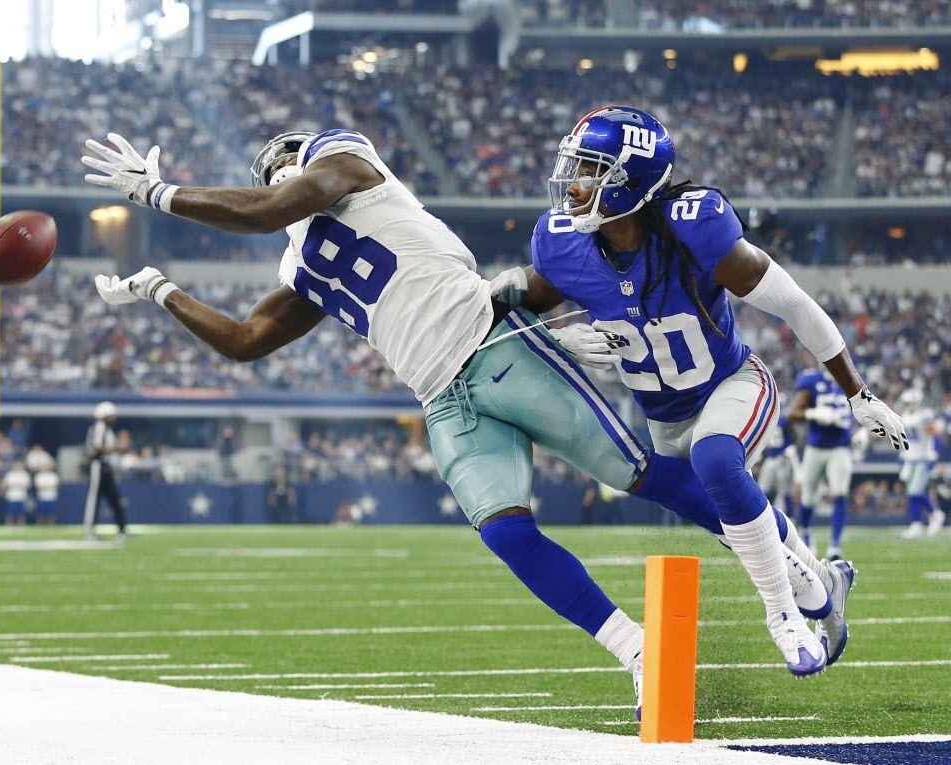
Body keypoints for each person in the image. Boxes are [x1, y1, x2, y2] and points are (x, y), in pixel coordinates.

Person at [83, 127, 820, 716]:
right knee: (505, 530)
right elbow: (246, 340)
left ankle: (790, 557)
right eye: (269, 168)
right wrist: (160, 289)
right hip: (442, 397)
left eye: (282, 163)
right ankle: (638, 650)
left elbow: (269, 208)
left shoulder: (346, 163)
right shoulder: (302, 264)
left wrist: (158, 192)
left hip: (497, 345)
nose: (277, 174)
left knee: (637, 474)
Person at [511, 106, 907, 675]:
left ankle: (786, 621)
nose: (574, 185)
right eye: (575, 166)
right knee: (735, 519)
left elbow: (794, 303)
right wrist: (565, 336)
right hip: (663, 418)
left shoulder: (695, 229)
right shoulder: (561, 245)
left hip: (734, 385)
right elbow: (531, 307)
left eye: (593, 170)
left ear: (635, 182)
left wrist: (857, 393)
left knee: (718, 461)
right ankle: (822, 589)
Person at [791, 366, 855, 560]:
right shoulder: (811, 379)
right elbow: (793, 413)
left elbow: (860, 408)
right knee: (808, 497)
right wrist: (813, 414)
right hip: (816, 447)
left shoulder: (851, 376)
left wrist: (861, 431)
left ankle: (835, 544)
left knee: (840, 492)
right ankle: (806, 532)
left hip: (840, 447)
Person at [898, 389, 945, 538]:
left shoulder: (924, 416)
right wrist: (903, 456)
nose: (907, 406)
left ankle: (930, 516)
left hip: (922, 458)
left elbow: (935, 436)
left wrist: (933, 454)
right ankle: (923, 521)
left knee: (915, 491)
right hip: (910, 458)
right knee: (912, 493)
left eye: (909, 403)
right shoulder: (904, 416)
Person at [84, 401, 128, 540]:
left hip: (106, 466)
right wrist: (117, 449)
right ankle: (89, 530)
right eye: (111, 415)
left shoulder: (107, 430)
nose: (113, 418)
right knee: (94, 498)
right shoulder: (99, 427)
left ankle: (122, 530)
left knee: (114, 498)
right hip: (98, 465)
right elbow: (97, 447)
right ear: (104, 415)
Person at [757, 413, 799, 518]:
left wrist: (789, 448)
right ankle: (763, 518)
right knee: (762, 490)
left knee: (784, 492)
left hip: (782, 458)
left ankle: (788, 518)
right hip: (770, 458)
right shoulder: (764, 420)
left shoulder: (785, 420)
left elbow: (794, 437)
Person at [0, 461, 31, 526]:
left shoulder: (25, 474)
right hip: (11, 496)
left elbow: (27, 486)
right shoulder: (10, 474)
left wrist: (17, 485)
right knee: (10, 512)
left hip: (21, 496)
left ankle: (21, 525)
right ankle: (9, 525)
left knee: (21, 513)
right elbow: (4, 485)